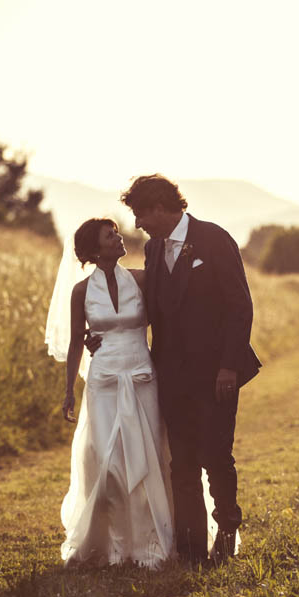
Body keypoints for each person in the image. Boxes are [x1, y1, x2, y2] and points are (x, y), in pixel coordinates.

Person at [122, 174, 261, 565]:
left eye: (140, 214)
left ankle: (228, 531)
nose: (138, 224)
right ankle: (190, 548)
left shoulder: (214, 239)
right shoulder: (153, 249)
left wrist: (229, 367)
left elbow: (239, 306)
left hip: (216, 374)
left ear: (161, 207)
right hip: (171, 375)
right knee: (180, 463)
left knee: (217, 456)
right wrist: (104, 333)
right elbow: (153, 309)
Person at [46, 218, 174, 568]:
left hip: (141, 375)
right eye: (110, 234)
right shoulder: (81, 292)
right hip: (102, 381)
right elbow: (76, 342)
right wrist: (69, 390)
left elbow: (163, 320)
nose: (119, 237)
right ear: (93, 249)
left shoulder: (141, 279)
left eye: (117, 232)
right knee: (109, 461)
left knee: (147, 458)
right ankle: (115, 546)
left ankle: (149, 544)